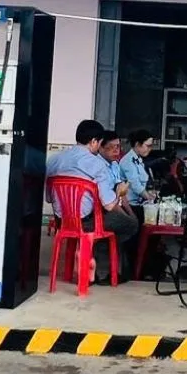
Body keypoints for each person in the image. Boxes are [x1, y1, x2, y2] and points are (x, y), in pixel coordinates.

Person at [46, 119, 138, 284]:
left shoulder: (53, 160)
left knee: (108, 223)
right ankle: (96, 263)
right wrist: (119, 194)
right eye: (100, 143)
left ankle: (87, 253)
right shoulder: (96, 164)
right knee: (130, 224)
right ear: (94, 141)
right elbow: (109, 205)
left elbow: (48, 198)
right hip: (87, 223)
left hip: (61, 221)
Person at [98, 130, 135, 219]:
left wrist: (131, 215)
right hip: (103, 210)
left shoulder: (115, 164)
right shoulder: (98, 167)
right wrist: (127, 218)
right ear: (100, 148)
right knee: (130, 223)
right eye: (111, 147)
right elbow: (109, 203)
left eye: (118, 146)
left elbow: (122, 194)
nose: (116, 151)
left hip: (116, 205)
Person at [119, 130, 157, 213]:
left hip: (138, 204)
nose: (150, 149)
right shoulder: (128, 161)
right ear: (137, 144)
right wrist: (151, 199)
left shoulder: (138, 160)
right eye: (148, 146)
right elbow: (135, 185)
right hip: (129, 207)